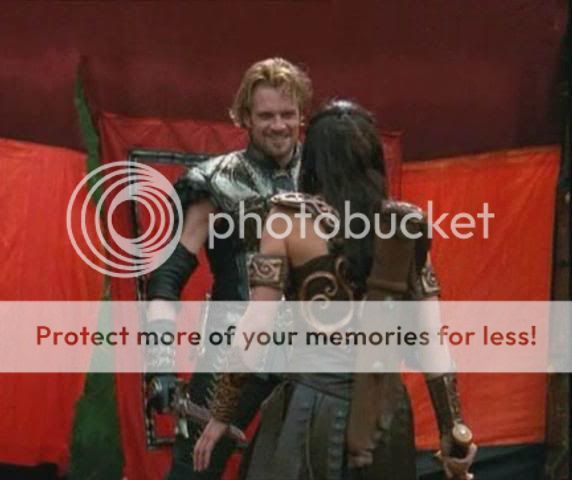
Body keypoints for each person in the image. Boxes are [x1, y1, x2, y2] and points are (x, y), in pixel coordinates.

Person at [193, 100, 477, 479]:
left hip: (310, 411)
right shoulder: (406, 228)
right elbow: (431, 341)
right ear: (373, 160)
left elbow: (256, 327)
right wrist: (453, 432)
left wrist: (220, 415)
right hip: (384, 415)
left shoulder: (286, 220)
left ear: (312, 160)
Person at [145, 57, 312, 479]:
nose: (279, 125)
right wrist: (160, 362)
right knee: (194, 471)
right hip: (231, 349)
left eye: (287, 114)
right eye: (266, 116)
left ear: (301, 116)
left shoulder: (324, 175)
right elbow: (167, 276)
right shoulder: (214, 181)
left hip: (313, 352)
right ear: (245, 118)